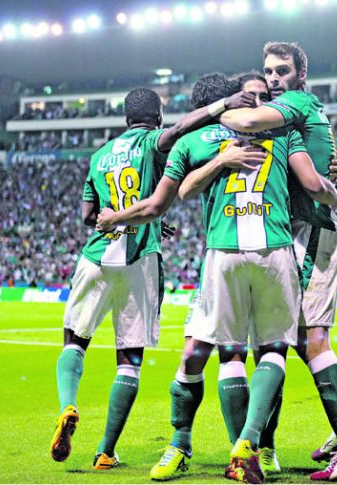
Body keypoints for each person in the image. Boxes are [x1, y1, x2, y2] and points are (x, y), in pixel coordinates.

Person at [96, 71, 337, 484]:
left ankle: (242, 448)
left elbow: (169, 200)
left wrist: (113, 218)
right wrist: (334, 186)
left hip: (228, 255)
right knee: (261, 351)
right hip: (260, 252)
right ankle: (212, 444)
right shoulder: (277, 132)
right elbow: (314, 181)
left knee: (219, 352)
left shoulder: (193, 141)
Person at [49, 84, 257, 470]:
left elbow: (86, 216)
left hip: (96, 255)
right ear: (156, 117)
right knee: (128, 360)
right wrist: (223, 105)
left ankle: (68, 405)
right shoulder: (151, 142)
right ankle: (105, 451)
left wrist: (113, 214)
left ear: (125, 118)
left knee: (74, 340)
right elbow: (179, 132)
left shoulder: (99, 156)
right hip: (140, 257)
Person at [219, 42, 337, 481]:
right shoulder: (296, 116)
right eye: (268, 70)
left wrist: (220, 110)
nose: (274, 77)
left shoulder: (296, 104)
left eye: (282, 70)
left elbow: (248, 121)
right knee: (293, 343)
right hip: (300, 234)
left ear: (300, 75)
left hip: (314, 234)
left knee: (310, 341)